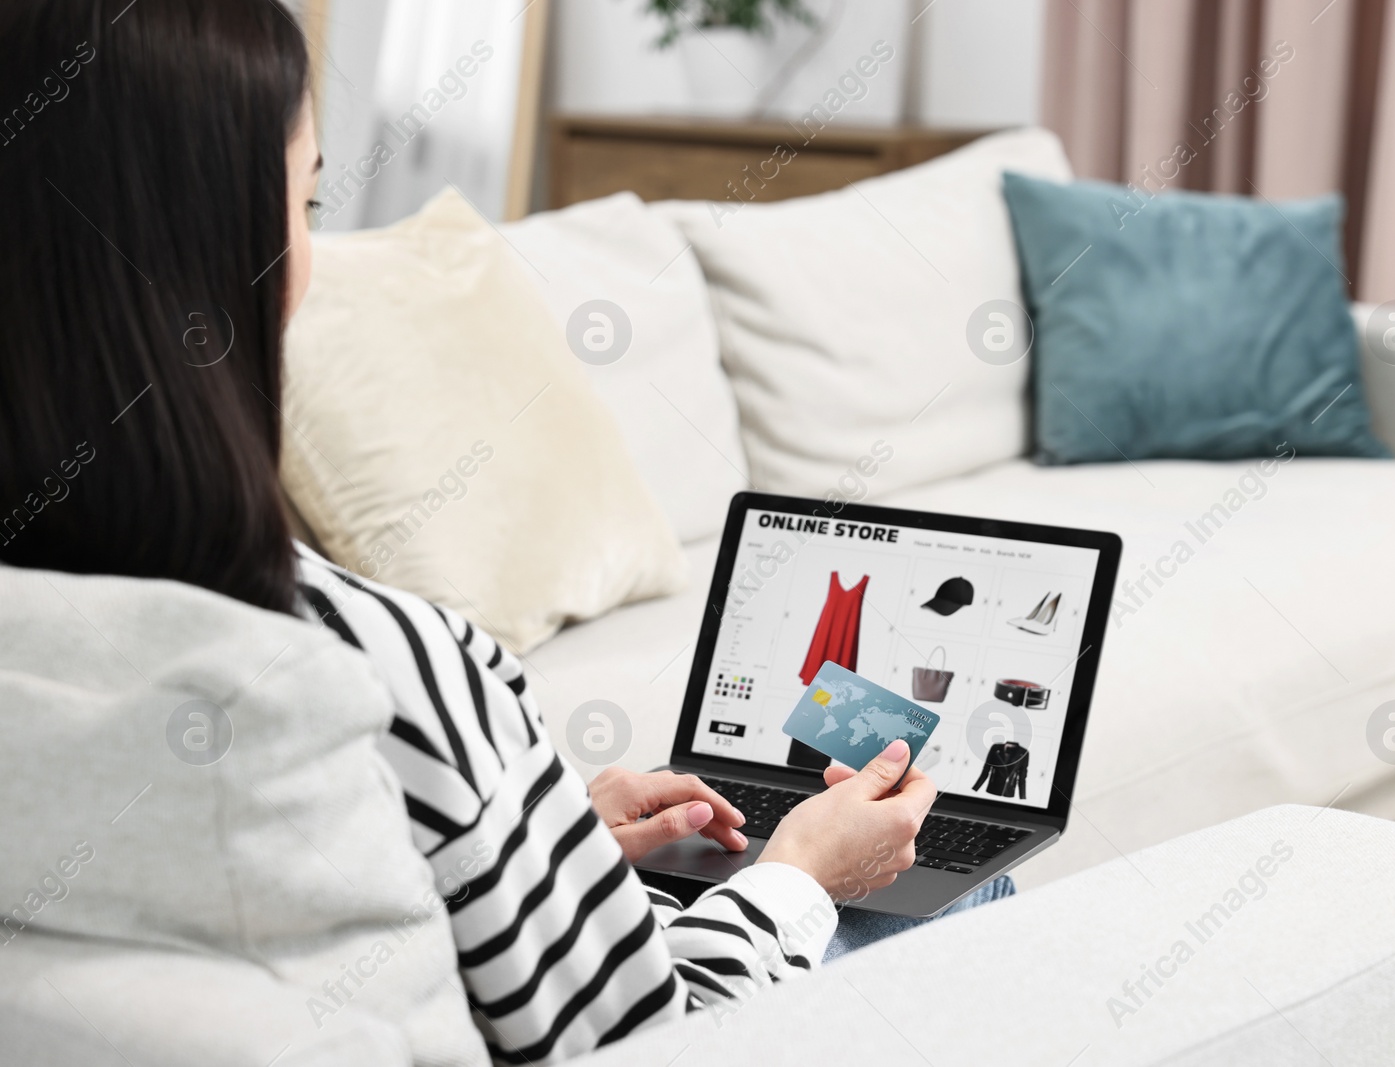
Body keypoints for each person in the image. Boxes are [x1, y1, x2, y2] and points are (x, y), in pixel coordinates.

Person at [0, 1, 1010, 1062]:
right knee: (958, 874)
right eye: (304, 198)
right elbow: (645, 1040)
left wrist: (529, 832)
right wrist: (800, 873)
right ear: (226, 252)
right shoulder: (374, 664)